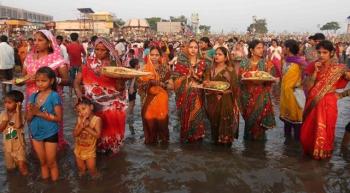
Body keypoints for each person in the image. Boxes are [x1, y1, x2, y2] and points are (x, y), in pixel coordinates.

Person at [74, 37, 127, 154]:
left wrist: (122, 79)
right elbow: (77, 83)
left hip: (112, 107)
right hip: (92, 105)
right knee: (93, 136)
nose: (99, 52)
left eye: (103, 50)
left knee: (111, 137)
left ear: (109, 50)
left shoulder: (115, 64)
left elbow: (120, 88)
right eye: (97, 49)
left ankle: (112, 158)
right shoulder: (87, 62)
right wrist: (80, 96)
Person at [300, 40, 350, 160]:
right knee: (308, 131)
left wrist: (341, 95)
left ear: (332, 53)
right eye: (319, 52)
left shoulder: (339, 69)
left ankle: (323, 156)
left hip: (329, 103)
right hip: (313, 102)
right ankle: (310, 154)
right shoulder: (312, 66)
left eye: (325, 52)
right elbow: (306, 86)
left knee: (326, 129)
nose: (321, 55)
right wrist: (314, 73)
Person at [21, 30, 69, 150]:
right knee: (34, 125)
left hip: (51, 100)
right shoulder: (29, 58)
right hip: (32, 98)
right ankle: (38, 155)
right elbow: (23, 78)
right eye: (35, 40)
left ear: (49, 43)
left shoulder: (56, 59)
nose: (36, 43)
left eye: (40, 40)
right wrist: (26, 80)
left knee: (52, 127)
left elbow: (67, 81)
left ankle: (55, 156)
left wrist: (51, 79)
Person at [27, 67, 62, 181]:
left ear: (51, 81)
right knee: (42, 162)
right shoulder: (33, 96)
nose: (40, 84)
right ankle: (46, 184)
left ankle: (55, 186)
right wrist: (31, 113)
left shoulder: (54, 96)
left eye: (43, 81)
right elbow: (27, 118)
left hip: (50, 132)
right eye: (37, 81)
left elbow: (58, 118)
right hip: (35, 132)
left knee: (51, 162)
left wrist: (39, 113)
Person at [171, 39, 209, 143]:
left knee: (197, 117)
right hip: (185, 95)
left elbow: (207, 78)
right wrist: (187, 78)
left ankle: (196, 138)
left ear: (198, 49)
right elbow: (175, 79)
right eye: (191, 47)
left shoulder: (203, 63)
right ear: (187, 48)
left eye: (195, 47)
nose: (193, 50)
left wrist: (204, 82)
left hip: (198, 94)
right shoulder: (181, 62)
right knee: (186, 118)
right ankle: (186, 139)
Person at [239, 40, 276, 140]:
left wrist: (267, 76)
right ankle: (248, 147)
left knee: (260, 123)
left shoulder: (267, 63)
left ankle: (259, 146)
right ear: (251, 50)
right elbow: (241, 79)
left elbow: (271, 79)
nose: (262, 50)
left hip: (261, 96)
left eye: (262, 48)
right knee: (249, 122)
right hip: (247, 96)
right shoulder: (244, 62)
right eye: (258, 48)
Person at [204, 47, 240, 145]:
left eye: (220, 54)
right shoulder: (210, 69)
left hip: (225, 101)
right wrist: (206, 83)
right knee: (214, 126)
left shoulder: (230, 70)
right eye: (216, 54)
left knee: (224, 126)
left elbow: (235, 87)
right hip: (212, 101)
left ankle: (226, 148)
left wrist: (226, 91)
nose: (216, 56)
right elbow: (206, 81)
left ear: (226, 57)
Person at [139, 47, 171, 144]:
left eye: (156, 55)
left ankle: (163, 144)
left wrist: (161, 84)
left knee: (162, 123)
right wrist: (149, 82)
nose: (154, 57)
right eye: (152, 55)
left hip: (161, 100)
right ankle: (151, 143)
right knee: (150, 123)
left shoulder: (165, 68)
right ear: (149, 55)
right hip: (148, 100)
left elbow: (170, 85)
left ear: (160, 56)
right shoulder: (143, 69)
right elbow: (139, 86)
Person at [280, 40, 305, 140]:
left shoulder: (299, 62)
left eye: (284, 47)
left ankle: (295, 149)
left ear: (288, 49)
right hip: (286, 95)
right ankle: (288, 149)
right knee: (287, 123)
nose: (282, 49)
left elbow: (306, 77)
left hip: (295, 95)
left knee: (296, 123)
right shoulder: (287, 61)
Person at [0, 90, 28, 176]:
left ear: (18, 103)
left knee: (22, 166)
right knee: (10, 169)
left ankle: (26, 183)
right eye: (5, 102)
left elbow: (18, 125)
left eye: (9, 103)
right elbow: (0, 130)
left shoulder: (22, 114)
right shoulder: (3, 114)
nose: (6, 105)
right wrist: (5, 121)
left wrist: (18, 111)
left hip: (19, 146)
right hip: (8, 147)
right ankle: (13, 183)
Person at [73, 97, 102, 178]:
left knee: (92, 169)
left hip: (90, 151)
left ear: (91, 107)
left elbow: (98, 135)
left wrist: (86, 127)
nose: (82, 112)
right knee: (81, 168)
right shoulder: (79, 119)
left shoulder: (97, 120)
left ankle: (96, 181)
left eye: (83, 108)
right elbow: (74, 134)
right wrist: (81, 127)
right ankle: (82, 182)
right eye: (79, 111)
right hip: (78, 149)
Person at [127, 58, 139, 135]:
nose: (139, 65)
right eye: (138, 63)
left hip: (131, 88)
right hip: (131, 89)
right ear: (135, 65)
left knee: (132, 103)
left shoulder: (132, 70)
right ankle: (128, 117)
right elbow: (133, 80)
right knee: (131, 103)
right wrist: (131, 88)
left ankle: (130, 115)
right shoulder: (133, 71)